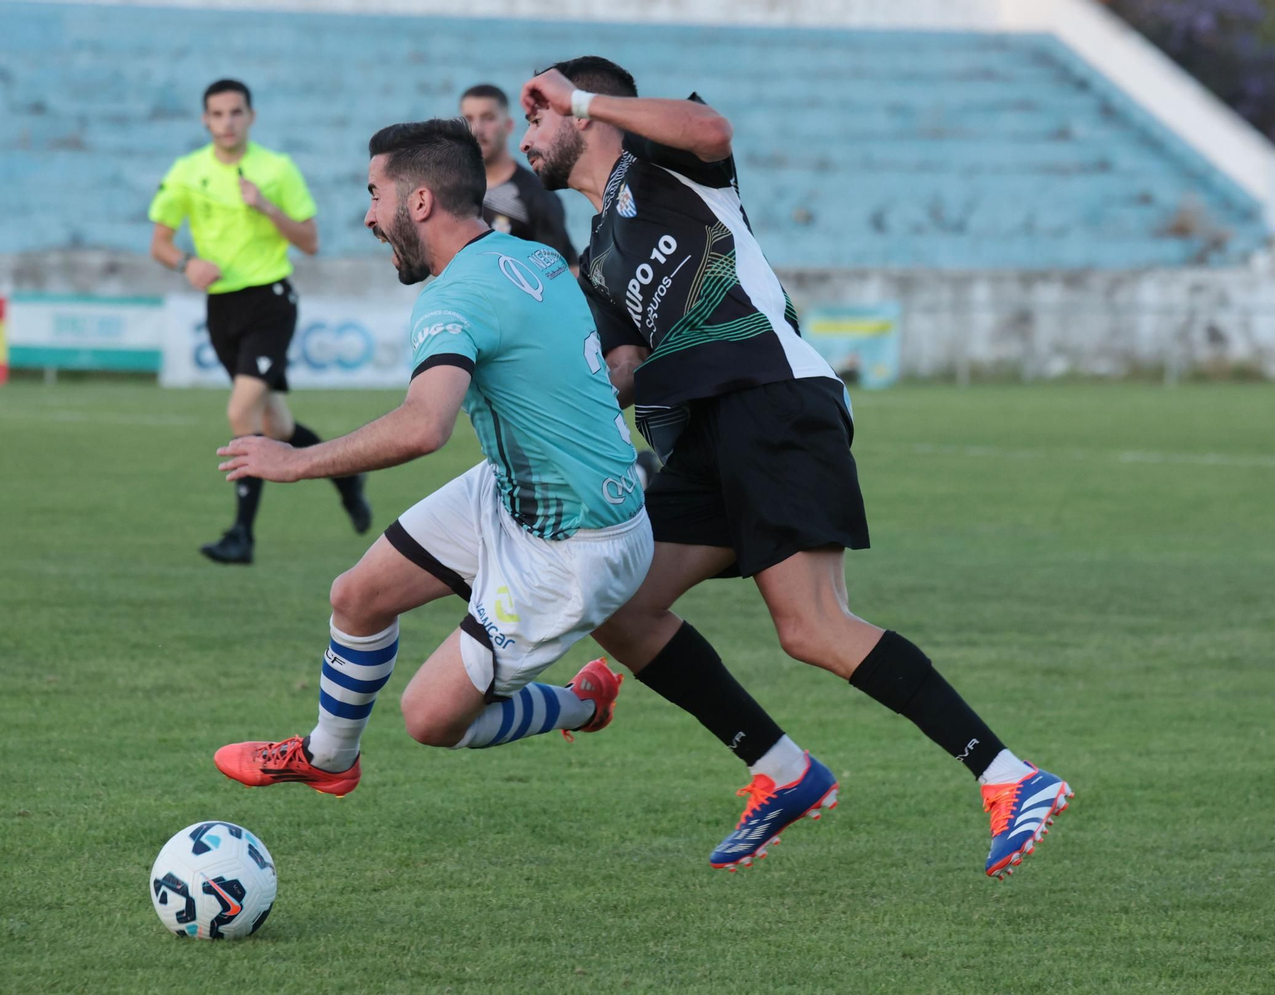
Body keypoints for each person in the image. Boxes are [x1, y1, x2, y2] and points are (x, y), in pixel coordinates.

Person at [518, 57, 1071, 880]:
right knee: (621, 603)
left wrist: (584, 95)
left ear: (586, 114)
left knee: (812, 626)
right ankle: (783, 769)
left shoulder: (665, 162)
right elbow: (626, 365)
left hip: (772, 396)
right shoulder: (597, 251)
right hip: (701, 437)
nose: (528, 136)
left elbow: (714, 130)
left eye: (538, 115)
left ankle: (1010, 775)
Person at [211, 119, 653, 795]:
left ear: (418, 203)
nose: (367, 216)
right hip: (521, 487)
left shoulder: (456, 295)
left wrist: (293, 460)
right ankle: (329, 757)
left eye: (373, 195)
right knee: (358, 596)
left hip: (576, 540)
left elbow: (424, 426)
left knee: (430, 718)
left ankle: (583, 703)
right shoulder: (530, 256)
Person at [148, 78, 371, 565]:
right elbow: (159, 242)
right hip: (220, 307)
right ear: (205, 121)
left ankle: (241, 536)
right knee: (278, 424)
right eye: (217, 114)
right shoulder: (188, 172)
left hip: (270, 302)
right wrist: (187, 264)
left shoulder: (277, 169)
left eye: (235, 112)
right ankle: (348, 478)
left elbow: (310, 241)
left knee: (239, 412)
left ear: (251, 117)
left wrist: (266, 206)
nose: (227, 122)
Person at [458, 84, 576, 265]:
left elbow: (567, 271)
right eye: (469, 119)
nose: (478, 129)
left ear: (509, 126)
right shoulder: (452, 191)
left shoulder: (536, 194)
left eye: (488, 118)